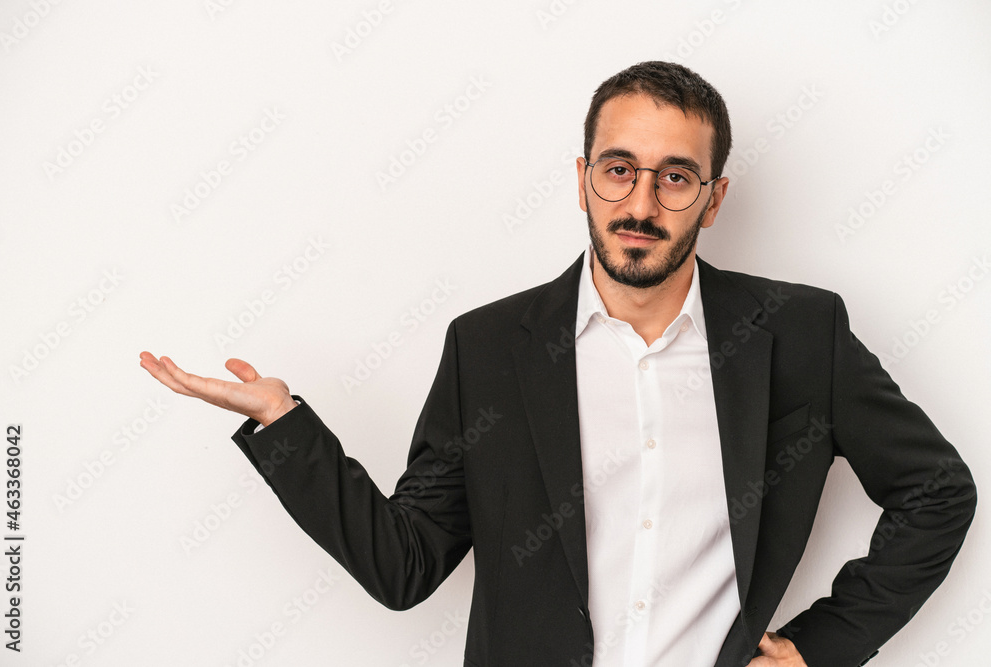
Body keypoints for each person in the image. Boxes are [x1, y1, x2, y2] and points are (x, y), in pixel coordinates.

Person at [140, 61, 976, 667]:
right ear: (583, 181)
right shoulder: (490, 348)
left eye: (675, 177)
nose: (641, 204)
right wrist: (281, 423)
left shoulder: (798, 331)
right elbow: (405, 564)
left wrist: (816, 650)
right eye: (619, 171)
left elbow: (937, 491)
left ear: (715, 199)